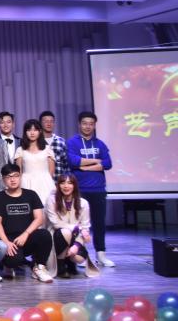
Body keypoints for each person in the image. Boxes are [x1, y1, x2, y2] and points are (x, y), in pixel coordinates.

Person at [66, 111, 115, 268]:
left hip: (98, 190)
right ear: (79, 124)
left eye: (91, 124)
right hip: (79, 190)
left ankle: (101, 255)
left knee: (99, 223)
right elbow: (73, 161)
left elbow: (108, 163)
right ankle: (79, 255)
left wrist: (85, 166)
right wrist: (96, 161)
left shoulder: (100, 144)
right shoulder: (72, 142)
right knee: (78, 224)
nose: (88, 126)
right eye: (85, 123)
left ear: (94, 125)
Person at [0, 163, 54, 282]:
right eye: (9, 177)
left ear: (20, 176)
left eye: (16, 175)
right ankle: (8, 265)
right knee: (14, 261)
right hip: (9, 239)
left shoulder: (31, 195)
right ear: (3, 179)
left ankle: (39, 267)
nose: (13, 179)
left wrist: (26, 234)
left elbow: (39, 218)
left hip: (27, 236)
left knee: (44, 235)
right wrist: (6, 242)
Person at [46, 174, 99, 278]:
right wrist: (77, 228)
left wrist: (77, 245)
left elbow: (85, 227)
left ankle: (70, 262)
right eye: (62, 183)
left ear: (74, 186)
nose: (66, 186)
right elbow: (56, 223)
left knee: (79, 258)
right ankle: (60, 264)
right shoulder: (52, 200)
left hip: (76, 237)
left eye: (70, 183)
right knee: (66, 232)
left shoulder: (83, 203)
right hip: (56, 235)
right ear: (58, 185)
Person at [15, 119, 56, 205]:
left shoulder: (47, 149)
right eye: (29, 130)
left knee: (47, 206)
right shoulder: (20, 150)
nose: (32, 133)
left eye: (35, 130)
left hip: (45, 183)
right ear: (25, 132)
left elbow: (51, 170)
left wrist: (46, 180)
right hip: (26, 182)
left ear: (40, 131)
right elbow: (19, 171)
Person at [39, 111, 69, 181]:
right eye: (46, 121)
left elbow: (66, 164)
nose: (49, 124)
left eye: (51, 121)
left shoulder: (61, 141)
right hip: (41, 182)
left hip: (59, 181)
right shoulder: (36, 141)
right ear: (40, 123)